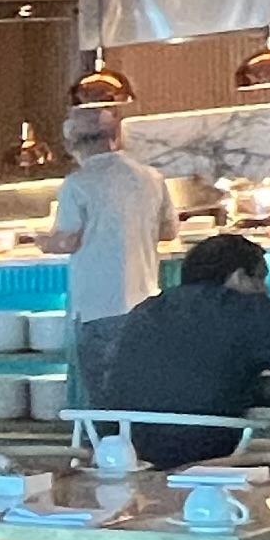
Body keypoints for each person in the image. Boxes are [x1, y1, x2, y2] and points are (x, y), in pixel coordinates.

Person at [93, 233, 270, 466]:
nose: (266, 289)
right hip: (208, 452)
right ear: (239, 277)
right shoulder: (250, 307)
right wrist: (250, 389)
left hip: (124, 452)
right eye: (260, 279)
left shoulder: (145, 310)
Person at [38, 104, 174, 398]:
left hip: (98, 307)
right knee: (142, 394)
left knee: (104, 398)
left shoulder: (77, 184)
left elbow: (67, 242)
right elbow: (168, 232)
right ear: (116, 137)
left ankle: (102, 430)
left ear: (72, 145)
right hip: (146, 304)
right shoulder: (151, 177)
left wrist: (43, 242)